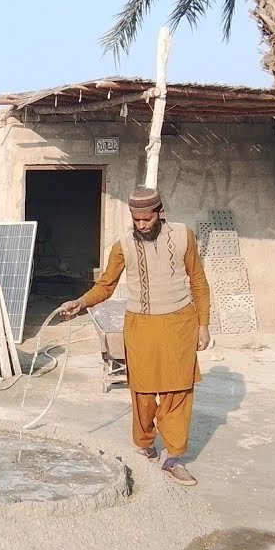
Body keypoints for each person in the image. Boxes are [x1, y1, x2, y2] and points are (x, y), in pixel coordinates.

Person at [59, 187, 212, 486]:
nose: (141, 225)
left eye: (146, 219)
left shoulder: (184, 236)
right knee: (143, 392)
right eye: (136, 219)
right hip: (141, 325)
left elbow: (198, 281)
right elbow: (106, 285)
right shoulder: (123, 246)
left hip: (180, 323)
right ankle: (145, 443)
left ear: (160, 213)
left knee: (177, 391)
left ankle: (174, 457)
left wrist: (203, 324)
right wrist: (81, 302)